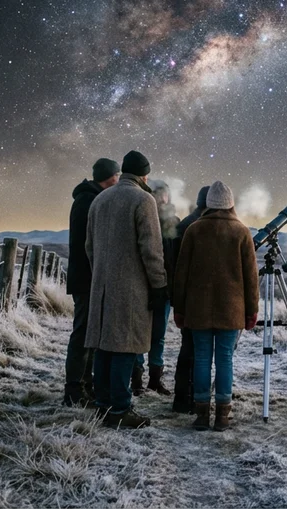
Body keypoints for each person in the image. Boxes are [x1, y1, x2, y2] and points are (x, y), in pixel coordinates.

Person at [85, 150, 169, 429]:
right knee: (124, 346)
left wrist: (101, 272)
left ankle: (102, 404)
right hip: (131, 286)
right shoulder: (143, 200)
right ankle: (120, 408)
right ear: (144, 175)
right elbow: (151, 249)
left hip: (102, 284)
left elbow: (89, 246)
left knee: (104, 346)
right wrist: (159, 284)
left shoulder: (100, 199)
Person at [172, 181, 258, 432]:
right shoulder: (242, 232)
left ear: (208, 203)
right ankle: (222, 416)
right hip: (231, 309)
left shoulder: (194, 230)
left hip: (197, 308)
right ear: (231, 203)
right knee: (224, 360)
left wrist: (179, 308)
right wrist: (252, 310)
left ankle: (200, 414)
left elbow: (181, 274)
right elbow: (251, 278)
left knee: (201, 359)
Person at [63, 157, 120, 407]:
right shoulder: (90, 200)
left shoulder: (88, 198)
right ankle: (75, 390)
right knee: (83, 333)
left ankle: (84, 385)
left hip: (88, 276)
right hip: (88, 278)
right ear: (112, 177)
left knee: (88, 333)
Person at [132, 179, 179, 396]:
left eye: (164, 194)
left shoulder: (175, 223)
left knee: (158, 335)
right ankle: (137, 380)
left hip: (165, 288)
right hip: (143, 288)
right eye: (158, 194)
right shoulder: (143, 218)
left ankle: (154, 380)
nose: (161, 199)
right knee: (140, 333)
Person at [170, 185, 210, 413]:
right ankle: (191, 397)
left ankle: (182, 397)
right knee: (195, 351)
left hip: (186, 296)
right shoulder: (198, 227)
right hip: (198, 298)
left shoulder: (184, 224)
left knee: (189, 348)